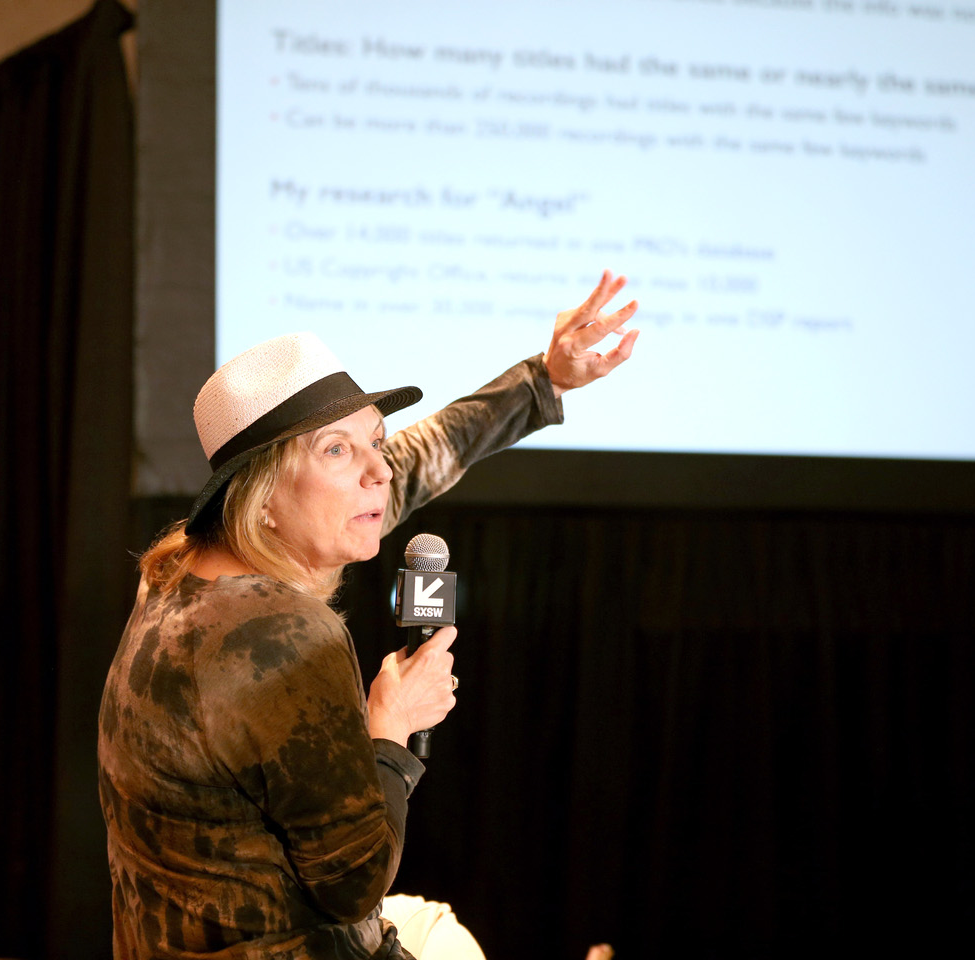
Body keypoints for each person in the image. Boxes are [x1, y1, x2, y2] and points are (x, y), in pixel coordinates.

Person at [97, 272, 638, 959]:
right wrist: (391, 728)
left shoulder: (178, 574)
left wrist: (545, 378)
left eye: (374, 441)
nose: (377, 471)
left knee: (427, 924)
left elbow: (413, 461)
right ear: (263, 492)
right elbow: (352, 883)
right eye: (336, 450)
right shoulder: (283, 634)